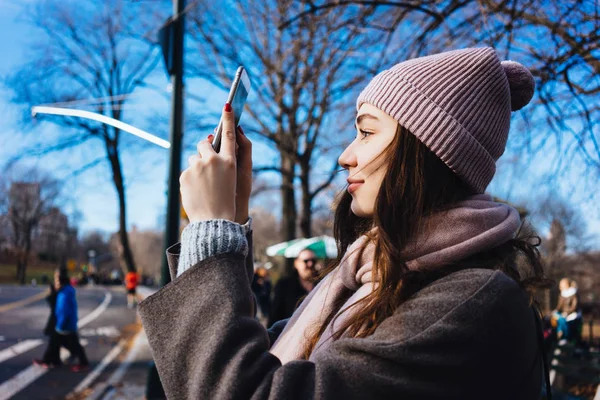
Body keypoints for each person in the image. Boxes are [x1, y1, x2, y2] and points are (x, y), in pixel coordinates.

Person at [139, 48, 552, 399]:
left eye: (367, 132)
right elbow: (260, 358)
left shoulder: (473, 303)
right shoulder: (373, 276)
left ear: (426, 151)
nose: (346, 156)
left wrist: (212, 231)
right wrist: (232, 217)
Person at [34, 269, 89, 371]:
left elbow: (64, 311)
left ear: (61, 281)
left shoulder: (64, 294)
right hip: (65, 323)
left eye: (57, 279)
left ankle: (83, 363)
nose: (56, 282)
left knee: (73, 345)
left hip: (65, 324)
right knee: (55, 342)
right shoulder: (64, 291)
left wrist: (60, 325)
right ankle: (49, 361)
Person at [268, 249, 318, 327]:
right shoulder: (284, 286)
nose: (310, 264)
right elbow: (274, 316)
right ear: (296, 263)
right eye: (306, 261)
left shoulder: (322, 285)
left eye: (313, 261)